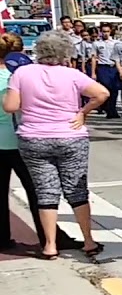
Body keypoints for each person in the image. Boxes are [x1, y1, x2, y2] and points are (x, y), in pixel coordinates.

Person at [2, 30, 109, 259]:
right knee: (76, 189)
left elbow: (10, 106)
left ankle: (50, 245)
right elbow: (102, 93)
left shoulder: (22, 73)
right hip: (70, 135)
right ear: (66, 52)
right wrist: (82, 113)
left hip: (34, 137)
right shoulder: (72, 74)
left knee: (45, 191)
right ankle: (88, 241)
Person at [0, 33, 81, 252]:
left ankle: (2, 238)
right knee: (39, 192)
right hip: (21, 140)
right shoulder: (19, 76)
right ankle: (50, 238)